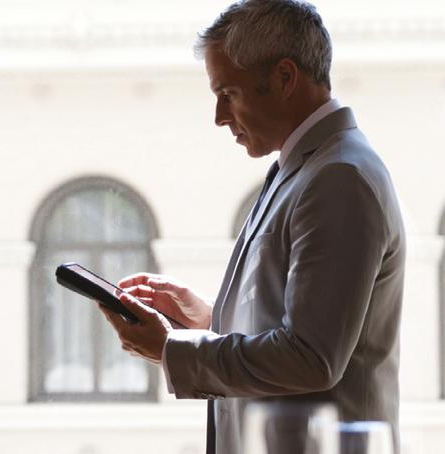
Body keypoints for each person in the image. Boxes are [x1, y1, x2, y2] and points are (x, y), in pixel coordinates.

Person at [97, 1, 406, 453]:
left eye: (229, 93)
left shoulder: (338, 178)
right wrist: (207, 318)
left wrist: (171, 349)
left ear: (284, 78)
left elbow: (311, 357)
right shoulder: (307, 169)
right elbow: (300, 324)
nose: (219, 117)